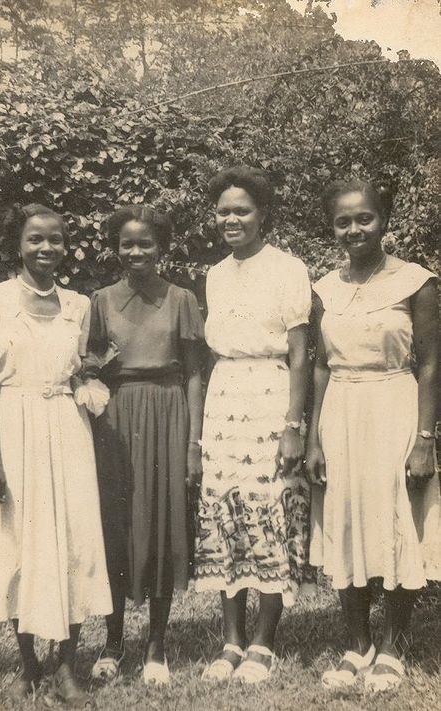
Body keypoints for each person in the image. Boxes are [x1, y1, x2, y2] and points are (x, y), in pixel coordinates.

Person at [0, 204, 112, 706]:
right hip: (16, 428)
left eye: (55, 239)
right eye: (35, 240)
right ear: (19, 244)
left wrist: (86, 382)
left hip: (68, 430)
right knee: (19, 546)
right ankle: (29, 662)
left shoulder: (78, 305)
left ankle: (67, 664)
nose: (46, 248)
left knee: (73, 543)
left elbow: (77, 369)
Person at [307, 180, 440, 691]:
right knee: (346, 518)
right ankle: (355, 643)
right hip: (340, 408)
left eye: (364, 218)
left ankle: (391, 646)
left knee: (396, 517)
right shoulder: (326, 287)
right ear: (333, 226)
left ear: (383, 219)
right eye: (343, 221)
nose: (354, 229)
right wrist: (315, 438)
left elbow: (430, 365)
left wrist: (425, 437)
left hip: (394, 404)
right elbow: (320, 368)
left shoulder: (415, 282)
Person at [194, 167, 313, 684]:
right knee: (226, 513)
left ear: (263, 214)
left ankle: (264, 642)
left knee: (270, 513)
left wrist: (293, 424)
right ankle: (231, 640)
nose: (231, 218)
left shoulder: (288, 268)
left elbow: (302, 352)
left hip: (270, 396)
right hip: (224, 397)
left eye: (242, 209)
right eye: (223, 210)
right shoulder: (215, 274)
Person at [86, 205, 204, 685]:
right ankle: (113, 643)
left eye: (146, 244)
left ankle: (156, 647)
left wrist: (194, 440)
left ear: (162, 248)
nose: (136, 253)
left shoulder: (181, 299)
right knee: (114, 526)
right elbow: (90, 368)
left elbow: (195, 373)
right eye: (127, 244)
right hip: (115, 417)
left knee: (161, 522)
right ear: (116, 248)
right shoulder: (99, 300)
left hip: (167, 410)